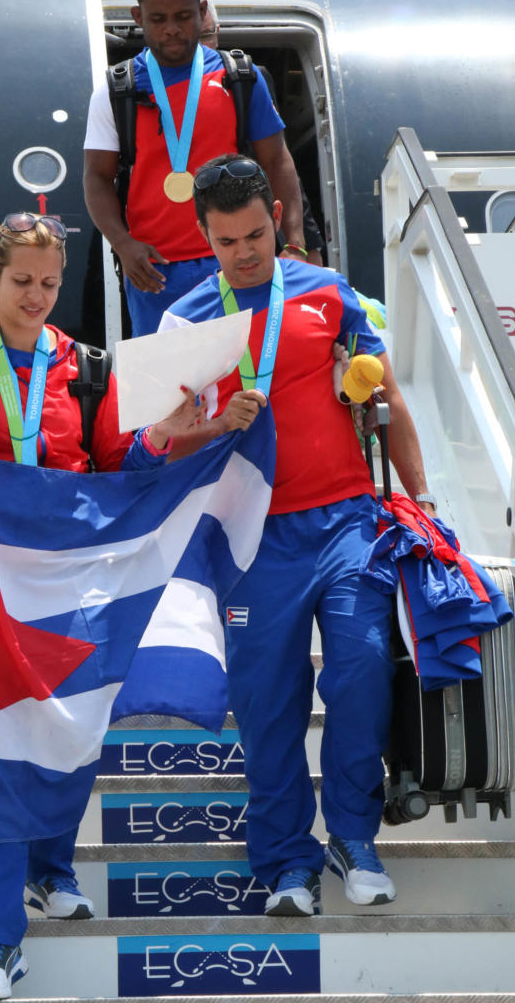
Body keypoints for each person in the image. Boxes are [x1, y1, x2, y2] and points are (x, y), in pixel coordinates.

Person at [0, 212, 212, 1001]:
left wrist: (170, 438)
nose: (36, 297)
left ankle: (52, 865)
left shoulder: (87, 366)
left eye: (48, 283)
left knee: (72, 726)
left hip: (70, 585)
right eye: (20, 282)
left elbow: (117, 464)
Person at [159, 155, 438, 917]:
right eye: (225, 242)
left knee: (359, 669)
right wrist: (216, 423)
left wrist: (425, 499)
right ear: (203, 237)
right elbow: (156, 442)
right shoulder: (185, 319)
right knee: (265, 700)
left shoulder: (325, 290)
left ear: (275, 219)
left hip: (346, 517)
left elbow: (383, 393)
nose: (244, 253)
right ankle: (286, 861)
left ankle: (354, 837)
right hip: (251, 538)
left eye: (254, 234)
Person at [83, 0, 306, 338]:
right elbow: (96, 177)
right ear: (138, 17)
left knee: (253, 379)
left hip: (239, 262)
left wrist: (294, 244)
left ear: (202, 13)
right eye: (158, 18)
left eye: (183, 16)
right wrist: (123, 244)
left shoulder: (241, 78)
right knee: (172, 391)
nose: (171, 28)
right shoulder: (116, 90)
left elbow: (278, 162)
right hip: (155, 272)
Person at [198, 0, 325, 267]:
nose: (199, 47)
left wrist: (305, 243)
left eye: (205, 36)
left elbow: (279, 164)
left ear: (218, 32)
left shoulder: (245, 78)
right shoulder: (141, 86)